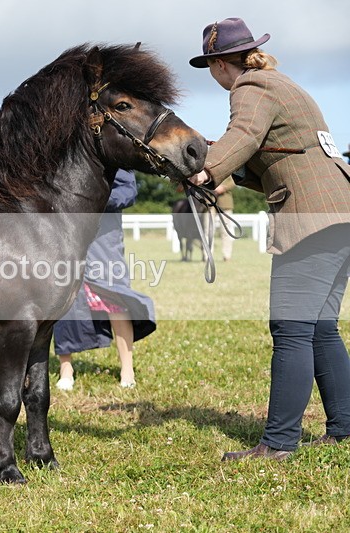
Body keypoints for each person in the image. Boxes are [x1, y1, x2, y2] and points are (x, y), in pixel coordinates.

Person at [187, 18, 350, 460]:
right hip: (338, 210)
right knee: (320, 328)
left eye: (210, 67)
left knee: (291, 328)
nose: (213, 75)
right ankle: (343, 427)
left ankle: (278, 443)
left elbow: (244, 136)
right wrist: (226, 164)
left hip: (311, 215)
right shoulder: (282, 83)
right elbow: (280, 156)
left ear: (220, 63)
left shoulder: (251, 86)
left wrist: (205, 170)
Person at [54, 169, 156, 390]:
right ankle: (66, 370)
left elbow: (128, 191)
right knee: (65, 303)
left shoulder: (117, 159)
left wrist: (95, 199)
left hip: (104, 237)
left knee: (115, 299)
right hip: (69, 235)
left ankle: (127, 369)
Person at [206, 176, 236, 261]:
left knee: (226, 230)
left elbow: (234, 181)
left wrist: (224, 187)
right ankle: (207, 256)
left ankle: (227, 255)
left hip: (225, 202)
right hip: (209, 201)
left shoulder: (229, 169)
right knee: (208, 230)